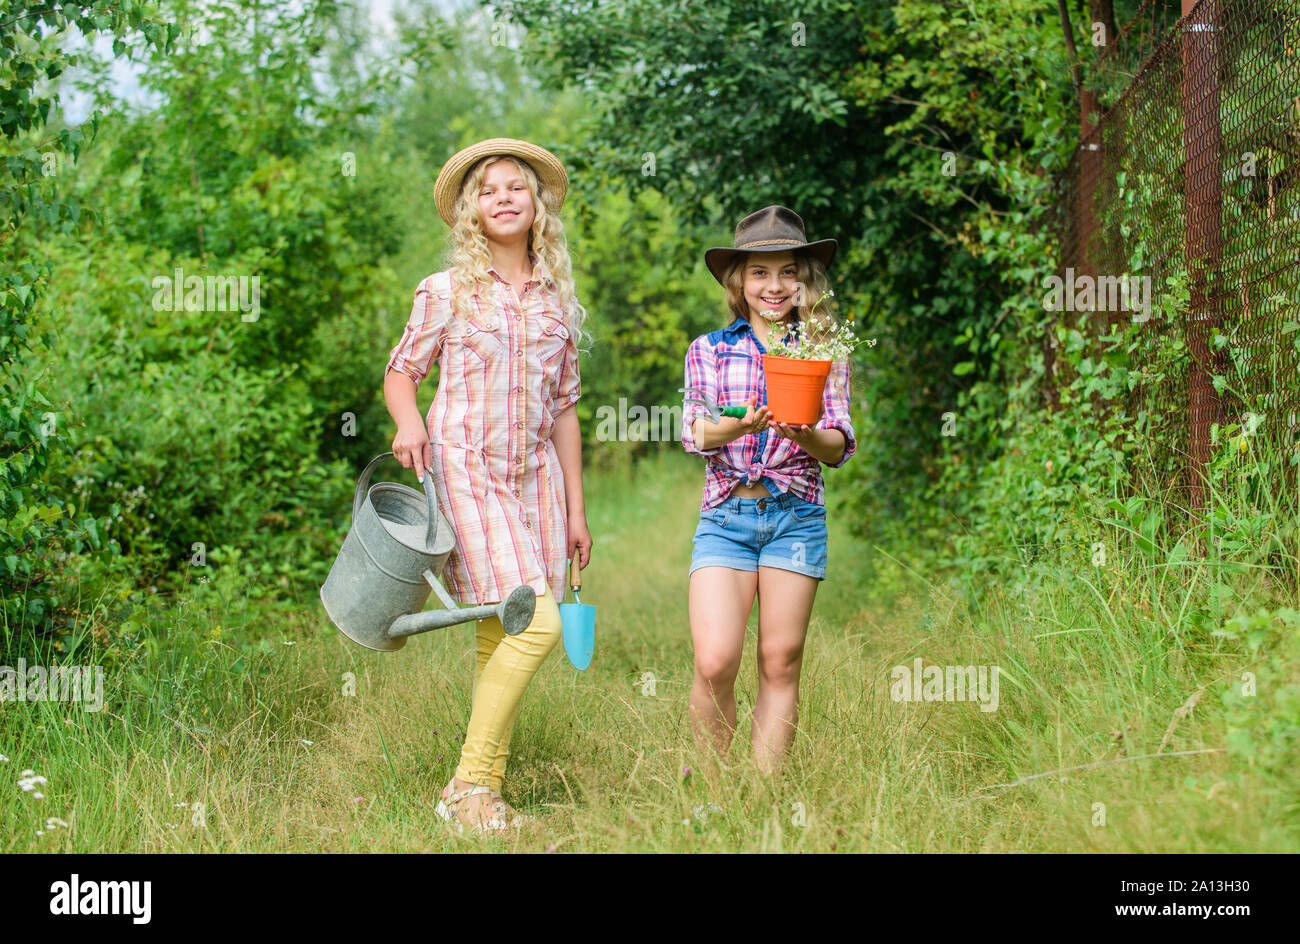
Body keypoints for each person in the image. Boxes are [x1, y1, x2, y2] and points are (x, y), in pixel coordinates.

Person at [383, 138, 592, 832]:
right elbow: (402, 370)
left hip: (533, 475)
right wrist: (408, 424)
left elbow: (564, 409)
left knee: (500, 629)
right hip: (465, 462)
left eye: (517, 188)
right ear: (472, 209)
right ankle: (466, 783)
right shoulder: (447, 292)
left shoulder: (557, 299)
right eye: (488, 190)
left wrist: (576, 511)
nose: (503, 198)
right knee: (537, 621)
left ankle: (484, 798)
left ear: (538, 206)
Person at [681, 205, 857, 774]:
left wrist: (803, 434)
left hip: (795, 519)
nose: (774, 286)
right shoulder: (708, 349)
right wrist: (741, 425)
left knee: (780, 660)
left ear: (805, 280)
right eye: (759, 272)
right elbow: (695, 432)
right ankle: (707, 797)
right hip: (727, 516)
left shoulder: (823, 350)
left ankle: (761, 802)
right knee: (714, 661)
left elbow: (838, 445)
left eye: (788, 272)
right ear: (739, 281)